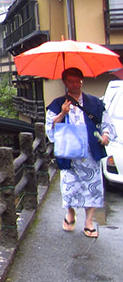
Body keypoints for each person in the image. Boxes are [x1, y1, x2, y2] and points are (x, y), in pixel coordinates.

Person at [45, 67, 115, 238]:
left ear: (81, 81)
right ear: (65, 82)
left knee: (93, 187)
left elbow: (106, 123)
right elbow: (50, 127)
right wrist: (62, 113)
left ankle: (89, 221)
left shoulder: (95, 102)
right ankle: (70, 213)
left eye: (78, 81)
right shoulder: (57, 103)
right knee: (69, 186)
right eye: (71, 81)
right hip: (69, 152)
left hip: (90, 152)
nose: (75, 84)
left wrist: (105, 136)